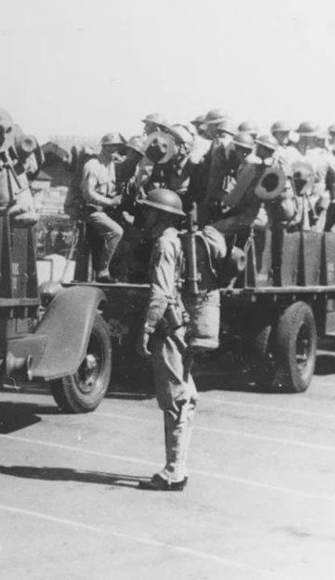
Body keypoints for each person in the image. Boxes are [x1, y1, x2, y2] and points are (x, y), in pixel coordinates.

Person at [135, 188, 196, 491]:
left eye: (149, 211)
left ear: (160, 214)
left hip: (168, 327)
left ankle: (174, 472)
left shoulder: (163, 243)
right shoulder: (178, 241)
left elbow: (160, 293)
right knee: (186, 398)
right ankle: (178, 467)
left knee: (174, 400)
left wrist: (146, 330)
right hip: (181, 323)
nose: (145, 216)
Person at [80, 133, 125, 282]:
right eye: (111, 146)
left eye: (117, 146)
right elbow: (89, 193)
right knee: (116, 232)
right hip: (91, 210)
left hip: (104, 211)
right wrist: (110, 202)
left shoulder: (111, 165)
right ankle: (103, 271)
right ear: (104, 147)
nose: (114, 149)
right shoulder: (93, 165)